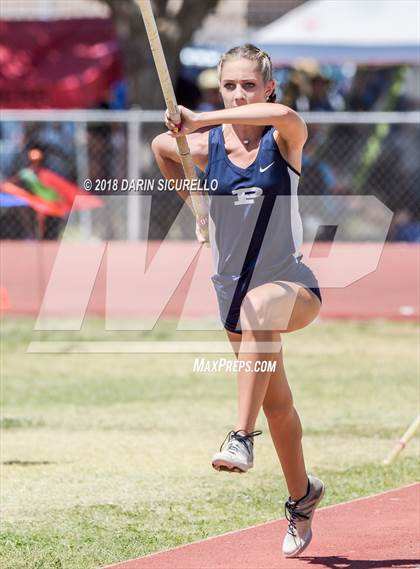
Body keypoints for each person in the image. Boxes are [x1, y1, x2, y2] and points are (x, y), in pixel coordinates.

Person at [152, 44, 325, 558]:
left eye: (248, 85)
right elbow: (164, 146)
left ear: (268, 86)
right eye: (230, 85)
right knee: (280, 406)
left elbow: (286, 114)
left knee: (261, 308)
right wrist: (196, 203)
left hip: (291, 286)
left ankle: (239, 437)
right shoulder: (206, 151)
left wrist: (202, 116)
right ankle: (302, 497)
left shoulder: (283, 138)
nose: (239, 93)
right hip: (231, 292)